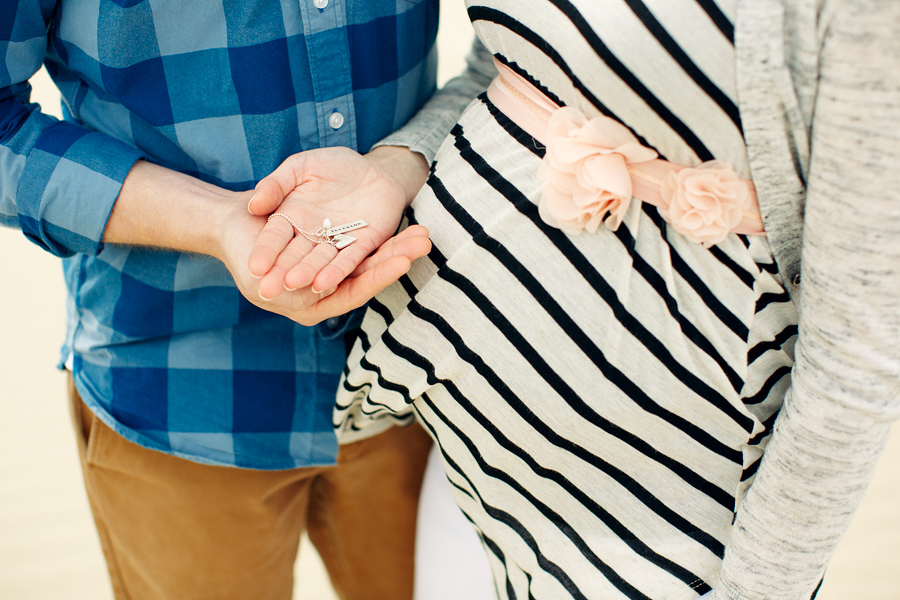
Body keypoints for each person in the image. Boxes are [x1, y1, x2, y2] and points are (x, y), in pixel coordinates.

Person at [256, 0, 900, 598]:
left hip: (655, 503)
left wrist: (760, 589)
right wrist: (401, 163)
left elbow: (858, 357)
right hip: (464, 432)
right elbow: (505, 64)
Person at [0, 1, 491, 598]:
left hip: (422, 374)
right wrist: (216, 222)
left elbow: (516, 57)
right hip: (178, 392)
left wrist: (400, 163)